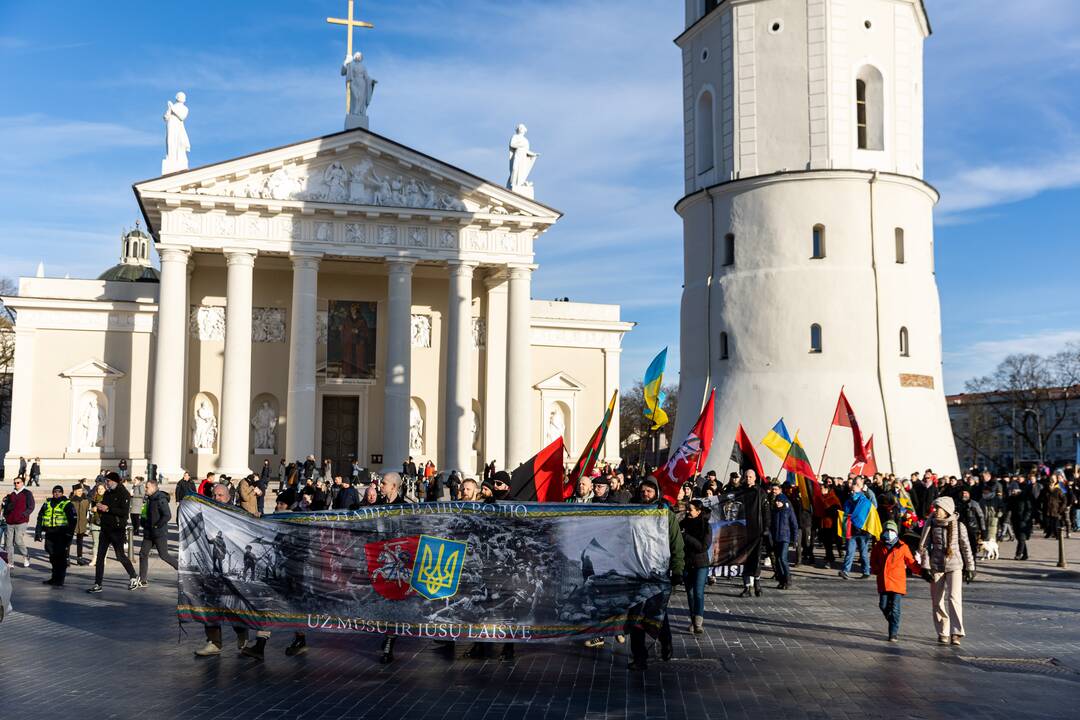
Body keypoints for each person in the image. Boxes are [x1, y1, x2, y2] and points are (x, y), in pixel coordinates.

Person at [627, 477, 684, 671]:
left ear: (656, 493)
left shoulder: (665, 514)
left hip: (658, 572)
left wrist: (677, 570)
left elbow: (676, 544)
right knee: (636, 615)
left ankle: (665, 640)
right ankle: (639, 657)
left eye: (649, 491)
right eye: (643, 490)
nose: (645, 494)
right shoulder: (630, 512)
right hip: (636, 572)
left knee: (657, 612)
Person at [195, 482, 251, 656]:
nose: (216, 498)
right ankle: (214, 642)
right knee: (210, 603)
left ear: (228, 497)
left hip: (232, 567)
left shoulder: (238, 513)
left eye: (220, 495)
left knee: (233, 604)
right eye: (214, 495)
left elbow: (248, 531)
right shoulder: (207, 513)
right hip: (211, 567)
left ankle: (242, 636)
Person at [917, 496, 975, 645]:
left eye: (938, 508)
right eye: (934, 508)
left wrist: (970, 567)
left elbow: (966, 547)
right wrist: (925, 566)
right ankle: (943, 631)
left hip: (955, 566)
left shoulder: (958, 526)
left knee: (954, 598)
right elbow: (924, 547)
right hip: (936, 566)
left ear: (947, 510)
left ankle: (956, 632)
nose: (935, 511)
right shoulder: (931, 525)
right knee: (937, 601)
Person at [870, 520, 922, 642]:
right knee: (883, 605)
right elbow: (873, 560)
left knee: (895, 608)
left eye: (892, 530)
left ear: (896, 532)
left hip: (898, 582)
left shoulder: (903, 546)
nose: (889, 533)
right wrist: (876, 570)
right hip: (883, 581)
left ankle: (893, 633)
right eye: (887, 530)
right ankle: (893, 620)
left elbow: (911, 562)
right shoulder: (878, 546)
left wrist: (921, 571)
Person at [87, 472, 139, 593]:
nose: (106, 483)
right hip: (105, 528)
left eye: (108, 481)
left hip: (117, 529)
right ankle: (98, 583)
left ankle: (133, 576)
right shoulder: (108, 493)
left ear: (115, 481)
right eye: (106, 481)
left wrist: (108, 509)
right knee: (100, 557)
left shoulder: (124, 493)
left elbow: (124, 512)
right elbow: (105, 507)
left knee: (120, 556)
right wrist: (99, 507)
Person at [137, 479, 178, 587]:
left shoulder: (160, 499)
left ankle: (183, 572)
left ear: (154, 487)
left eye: (147, 487)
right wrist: (143, 522)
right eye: (145, 487)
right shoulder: (148, 499)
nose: (145, 489)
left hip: (159, 533)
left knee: (164, 555)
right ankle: (143, 579)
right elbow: (145, 512)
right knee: (143, 553)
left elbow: (167, 515)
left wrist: (157, 525)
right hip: (148, 532)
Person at [34, 485, 77, 586]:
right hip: (50, 534)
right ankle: (54, 578)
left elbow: (73, 520)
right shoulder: (47, 503)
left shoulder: (67, 504)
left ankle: (60, 579)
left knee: (60, 557)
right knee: (52, 556)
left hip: (62, 534)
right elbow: (40, 518)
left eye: (59, 492)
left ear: (62, 493)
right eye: (55, 492)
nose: (56, 493)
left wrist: (69, 534)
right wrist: (38, 532)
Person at [680, 499, 712, 633]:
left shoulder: (705, 526)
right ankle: (693, 620)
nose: (688, 512)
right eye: (687, 509)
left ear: (698, 511)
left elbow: (703, 546)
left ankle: (698, 622)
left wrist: (686, 536)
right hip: (687, 563)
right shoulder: (683, 524)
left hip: (700, 563)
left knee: (698, 592)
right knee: (690, 593)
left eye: (691, 509)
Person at [739, 469, 770, 597]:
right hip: (742, 531)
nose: (748, 479)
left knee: (756, 558)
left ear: (755, 478)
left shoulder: (760, 493)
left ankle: (757, 582)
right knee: (744, 559)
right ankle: (747, 587)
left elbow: (766, 512)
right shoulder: (740, 492)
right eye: (746, 476)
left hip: (757, 530)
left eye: (750, 477)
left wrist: (766, 527)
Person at [839, 476, 875, 580]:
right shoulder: (849, 500)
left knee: (863, 553)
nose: (854, 487)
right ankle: (845, 571)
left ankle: (866, 571)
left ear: (860, 487)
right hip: (852, 530)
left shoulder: (865, 500)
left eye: (856, 485)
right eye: (854, 484)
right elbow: (846, 512)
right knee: (850, 551)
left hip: (863, 531)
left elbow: (870, 513)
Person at [768, 485, 799, 590]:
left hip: (785, 537)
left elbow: (794, 523)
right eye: (773, 490)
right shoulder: (774, 509)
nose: (777, 503)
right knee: (777, 560)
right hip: (776, 537)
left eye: (776, 489)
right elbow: (771, 524)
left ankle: (788, 579)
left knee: (783, 558)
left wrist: (795, 539)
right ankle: (781, 580)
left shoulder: (787, 507)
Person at [2, 477, 35, 568]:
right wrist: (5, 511)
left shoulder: (27, 493)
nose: (16, 484)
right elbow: (6, 508)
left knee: (18, 540)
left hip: (21, 521)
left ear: (22, 483)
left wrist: (24, 515)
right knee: (8, 543)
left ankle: (26, 556)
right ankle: (10, 562)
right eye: (15, 483)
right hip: (10, 522)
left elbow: (31, 506)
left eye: (18, 482)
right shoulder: (11, 494)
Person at [1005, 484, 1033, 560]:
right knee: (1020, 538)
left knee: (1021, 538)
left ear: (1018, 490)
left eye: (1013, 490)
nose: (1012, 492)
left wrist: (1025, 519)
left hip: (1023, 521)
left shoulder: (1024, 497)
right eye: (1011, 491)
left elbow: (1029, 509)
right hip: (1015, 520)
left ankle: (1018, 554)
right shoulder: (1011, 498)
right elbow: (1008, 508)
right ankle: (1025, 555)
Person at [70, 484, 92, 566]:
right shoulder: (71, 501)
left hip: (82, 523)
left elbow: (87, 512)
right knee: (68, 541)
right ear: (74, 492)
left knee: (80, 541)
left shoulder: (85, 500)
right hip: (72, 523)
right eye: (78, 491)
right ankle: (67, 558)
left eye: (81, 491)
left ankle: (80, 558)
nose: (80, 492)